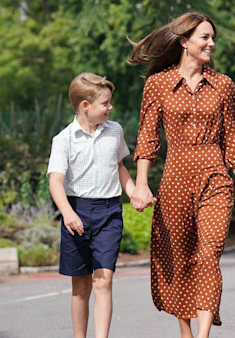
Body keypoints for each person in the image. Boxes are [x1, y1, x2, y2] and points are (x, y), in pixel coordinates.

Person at [127, 11, 235, 338]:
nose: (211, 43)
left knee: (209, 255)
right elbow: (147, 137)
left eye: (213, 38)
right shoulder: (158, 84)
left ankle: (203, 335)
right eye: (205, 38)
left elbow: (233, 139)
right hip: (175, 180)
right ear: (184, 41)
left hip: (216, 179)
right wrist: (141, 184)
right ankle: (186, 331)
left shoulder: (224, 85)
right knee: (179, 258)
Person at [47, 72, 135, 338]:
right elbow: (55, 182)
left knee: (104, 280)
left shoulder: (115, 130)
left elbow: (120, 167)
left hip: (109, 213)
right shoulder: (64, 140)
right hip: (77, 212)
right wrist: (68, 213)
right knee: (81, 288)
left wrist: (133, 192)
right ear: (85, 106)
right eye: (105, 103)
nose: (110, 107)